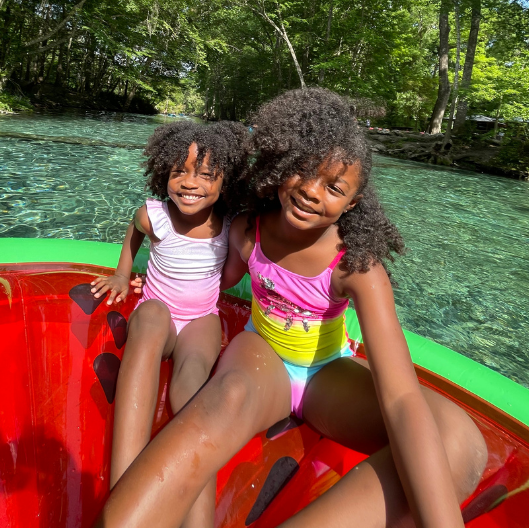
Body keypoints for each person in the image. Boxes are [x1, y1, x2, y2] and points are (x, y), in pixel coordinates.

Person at [97, 88, 485, 528]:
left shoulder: (356, 267)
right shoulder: (246, 231)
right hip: (259, 357)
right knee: (227, 394)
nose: (310, 192)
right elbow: (210, 274)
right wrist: (153, 279)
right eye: (302, 171)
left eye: (334, 186)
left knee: (459, 443)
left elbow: (399, 396)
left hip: (327, 375)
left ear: (352, 202)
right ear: (281, 166)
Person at [90, 121, 249, 528]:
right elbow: (133, 234)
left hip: (200, 319)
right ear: (164, 174)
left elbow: (230, 273)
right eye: (179, 171)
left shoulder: (229, 225)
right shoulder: (155, 214)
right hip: (158, 308)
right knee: (148, 326)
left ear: (225, 182)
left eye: (206, 175)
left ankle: (198, 522)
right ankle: (124, 492)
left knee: (192, 388)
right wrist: (123, 274)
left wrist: (223, 278)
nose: (189, 183)